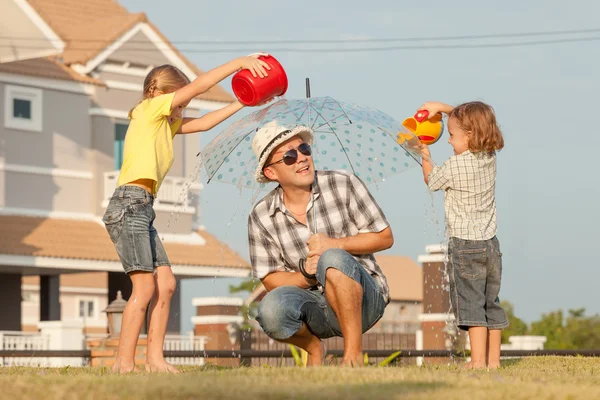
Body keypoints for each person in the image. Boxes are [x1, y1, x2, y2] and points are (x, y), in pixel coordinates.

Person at [102, 54, 270, 373]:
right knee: (145, 287)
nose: (181, 110)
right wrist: (241, 63)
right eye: (178, 103)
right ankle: (122, 364)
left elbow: (205, 122)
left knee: (165, 283)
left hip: (142, 207)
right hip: (127, 204)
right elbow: (199, 86)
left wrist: (245, 102)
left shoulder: (164, 124)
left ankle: (154, 360)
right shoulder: (148, 109)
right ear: (158, 92)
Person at [247, 120, 394, 366]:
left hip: (365, 300)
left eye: (304, 149)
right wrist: (307, 275)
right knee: (269, 310)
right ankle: (314, 349)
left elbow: (384, 237)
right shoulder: (261, 215)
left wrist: (334, 244)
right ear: (271, 173)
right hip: (314, 306)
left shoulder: (343, 183)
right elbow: (270, 279)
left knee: (333, 257)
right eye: (290, 156)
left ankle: (353, 356)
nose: (302, 158)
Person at [417, 100, 509, 369]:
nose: (447, 141)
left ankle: (477, 362)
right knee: (490, 303)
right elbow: (471, 117)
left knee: (471, 305)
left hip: (466, 247)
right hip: (491, 246)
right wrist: (443, 108)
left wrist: (424, 153)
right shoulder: (489, 157)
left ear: (468, 136)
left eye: (452, 135)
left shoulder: (456, 167)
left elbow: (431, 181)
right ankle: (493, 362)